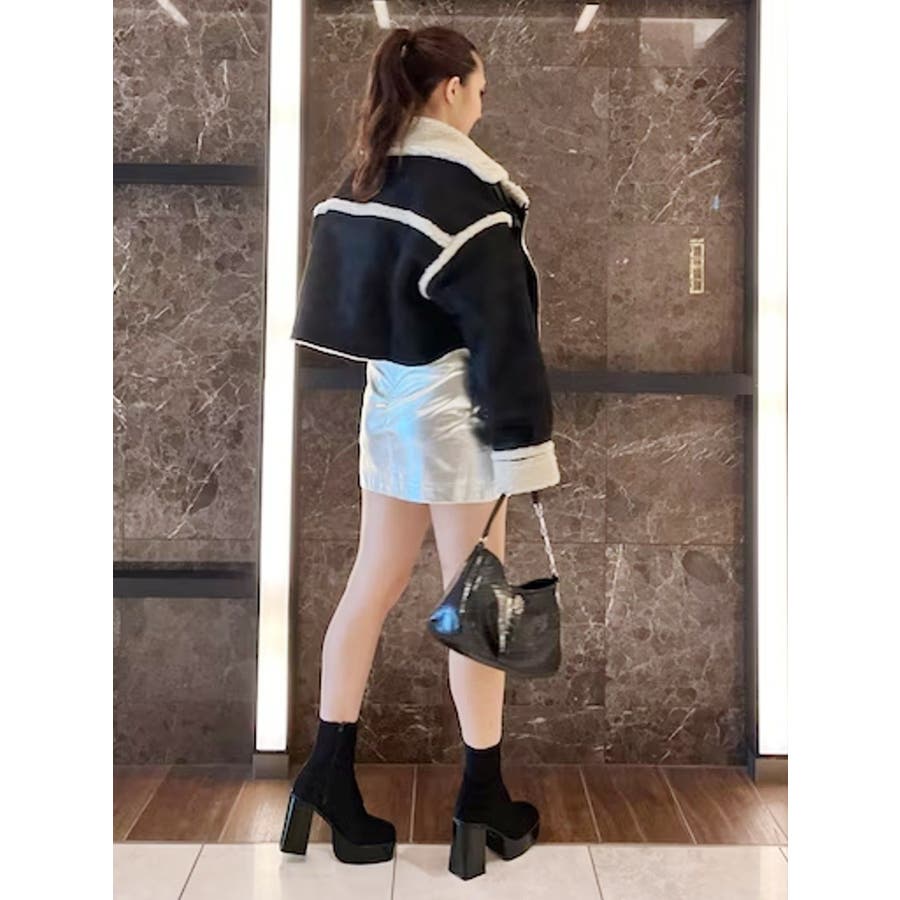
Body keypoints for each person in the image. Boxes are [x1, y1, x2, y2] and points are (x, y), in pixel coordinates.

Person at [279, 25, 561, 880]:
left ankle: (326, 775)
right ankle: (481, 797)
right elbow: (503, 342)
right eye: (479, 89)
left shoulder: (361, 179)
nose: (483, 105)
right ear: (449, 90)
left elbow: (343, 309)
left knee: (371, 585)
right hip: (460, 420)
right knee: (480, 607)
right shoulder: (471, 198)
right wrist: (524, 447)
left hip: (389, 410)